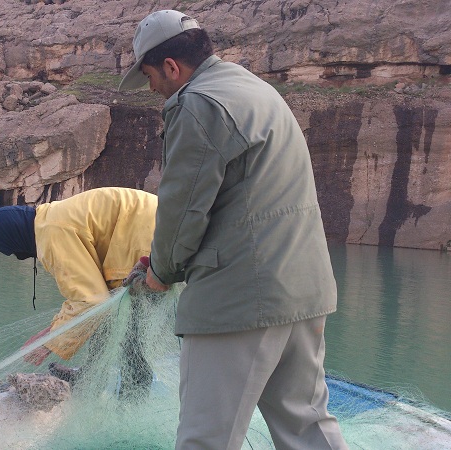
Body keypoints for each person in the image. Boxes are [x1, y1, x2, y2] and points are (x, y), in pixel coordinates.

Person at [118, 10, 348, 450]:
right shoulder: (253, 87)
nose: (151, 89)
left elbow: (183, 209)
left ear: (171, 66)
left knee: (207, 439)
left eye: (149, 76)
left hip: (240, 300)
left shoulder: (197, 102)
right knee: (306, 426)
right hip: (305, 289)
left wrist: (161, 273)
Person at [0, 187, 157, 374]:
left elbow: (91, 300)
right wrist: (49, 333)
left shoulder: (52, 234)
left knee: (126, 320)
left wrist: (47, 345)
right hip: (156, 222)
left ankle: (129, 391)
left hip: (147, 239)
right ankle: (91, 377)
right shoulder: (50, 217)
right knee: (112, 313)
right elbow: (94, 296)